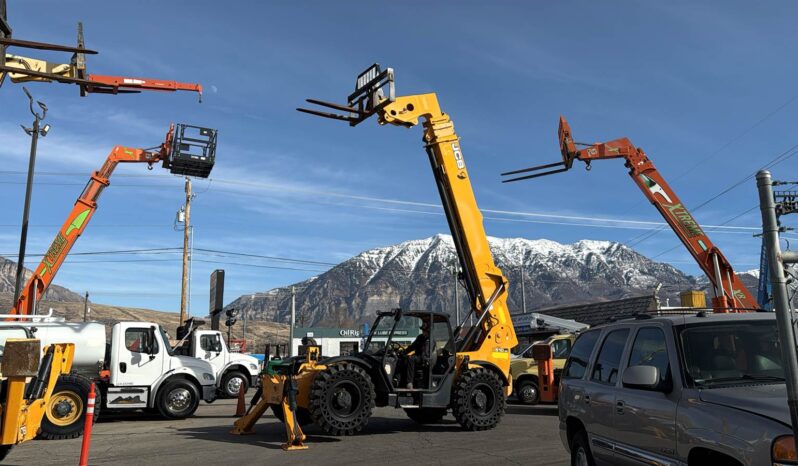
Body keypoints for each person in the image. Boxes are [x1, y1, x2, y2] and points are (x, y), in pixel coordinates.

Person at [401, 320, 431, 389]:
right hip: (418, 356)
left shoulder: (429, 340)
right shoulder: (420, 337)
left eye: (425, 331)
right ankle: (401, 381)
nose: (423, 332)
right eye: (423, 331)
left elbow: (425, 353)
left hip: (425, 358)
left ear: (428, 331)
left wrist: (416, 356)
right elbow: (412, 347)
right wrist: (404, 352)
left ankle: (409, 382)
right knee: (405, 358)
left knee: (411, 358)